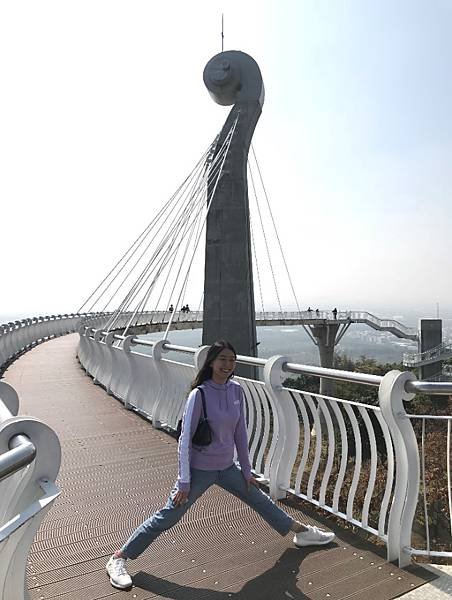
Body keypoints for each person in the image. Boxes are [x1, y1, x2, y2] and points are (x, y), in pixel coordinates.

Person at [106, 340, 335, 590]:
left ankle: (301, 532)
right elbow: (184, 441)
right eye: (222, 359)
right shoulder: (200, 394)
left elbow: (240, 434)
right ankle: (119, 558)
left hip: (227, 468)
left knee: (260, 500)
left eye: (231, 360)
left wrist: (247, 471)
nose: (227, 364)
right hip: (198, 472)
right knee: (168, 516)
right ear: (212, 362)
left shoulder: (236, 390)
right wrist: (184, 480)